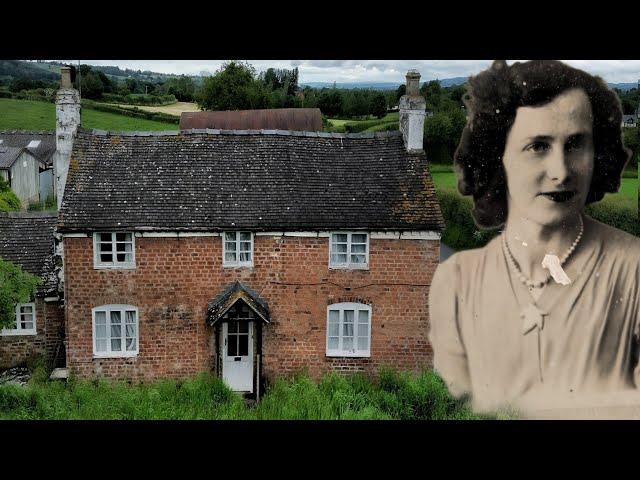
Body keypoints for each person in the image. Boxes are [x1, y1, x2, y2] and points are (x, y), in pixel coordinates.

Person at [428, 60, 640, 415]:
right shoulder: (457, 281)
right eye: (538, 146)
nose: (560, 171)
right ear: (499, 159)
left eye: (575, 145)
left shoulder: (632, 270)